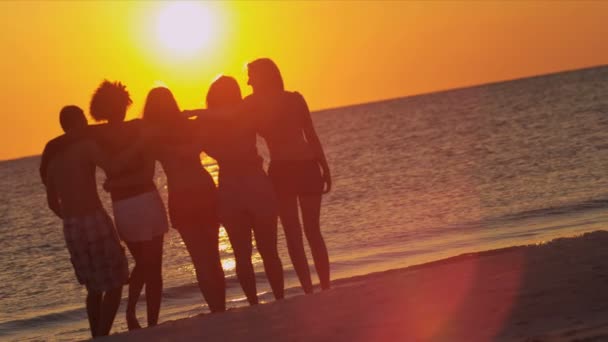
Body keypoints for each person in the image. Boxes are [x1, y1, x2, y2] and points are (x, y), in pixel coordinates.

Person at [245, 58, 332, 293]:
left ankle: (313, 289)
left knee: (297, 233)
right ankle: (321, 287)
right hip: (302, 167)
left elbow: (311, 134)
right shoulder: (292, 99)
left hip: (288, 170)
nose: (247, 81)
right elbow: (311, 136)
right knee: (309, 231)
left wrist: (324, 166)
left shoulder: (254, 104)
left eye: (250, 76)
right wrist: (324, 166)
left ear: (262, 76)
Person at [89, 80, 169, 330]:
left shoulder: (98, 136)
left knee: (149, 265)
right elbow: (146, 173)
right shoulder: (135, 129)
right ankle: (137, 313)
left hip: (128, 203)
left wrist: (115, 182)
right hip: (140, 201)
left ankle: (143, 317)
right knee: (150, 265)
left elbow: (145, 173)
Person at [44, 105, 129, 338]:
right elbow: (112, 167)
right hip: (93, 218)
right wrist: (136, 148)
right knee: (117, 279)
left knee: (93, 288)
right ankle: (102, 334)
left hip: (71, 226)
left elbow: (52, 203)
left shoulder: (53, 159)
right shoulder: (86, 147)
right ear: (79, 122)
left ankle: (96, 334)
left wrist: (70, 217)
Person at [141, 87, 226, 312]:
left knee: (201, 258)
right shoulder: (188, 126)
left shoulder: (153, 137)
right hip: (201, 190)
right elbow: (195, 147)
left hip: (183, 196)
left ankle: (217, 309)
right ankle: (220, 307)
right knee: (211, 256)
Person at [201, 76, 284, 304]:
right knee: (269, 251)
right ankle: (279, 298)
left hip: (231, 185)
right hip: (254, 181)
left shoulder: (211, 122)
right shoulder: (246, 113)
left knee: (242, 254)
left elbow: (208, 147)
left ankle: (254, 303)